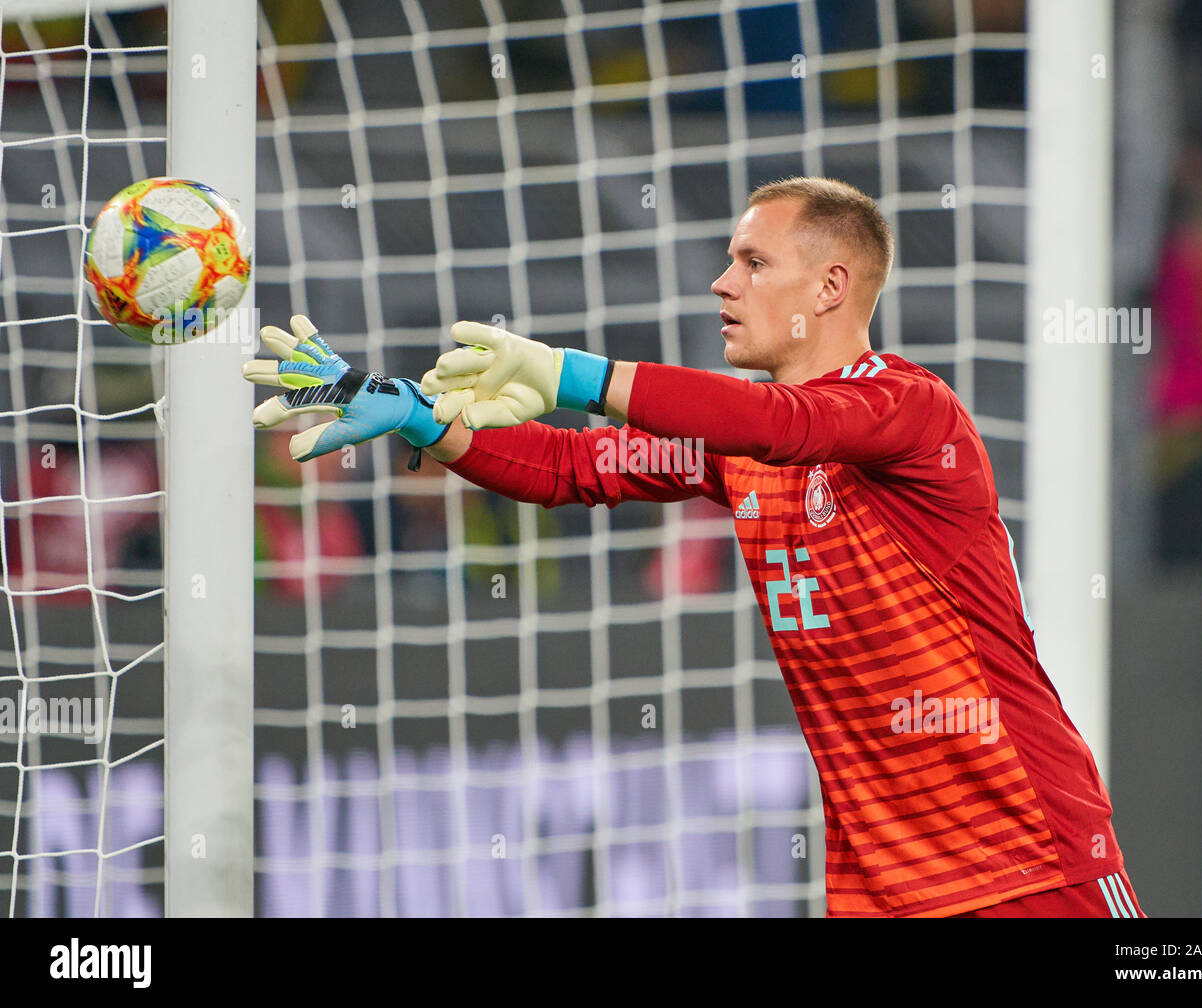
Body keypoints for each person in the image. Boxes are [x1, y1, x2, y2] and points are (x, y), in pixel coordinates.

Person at [245, 176, 1144, 918]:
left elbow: (780, 423)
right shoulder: (741, 450)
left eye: (753, 262)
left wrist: (569, 373)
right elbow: (568, 467)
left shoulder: (910, 411)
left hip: (1026, 858)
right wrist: (412, 411)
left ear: (830, 287)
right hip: (879, 883)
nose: (723, 282)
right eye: (727, 260)